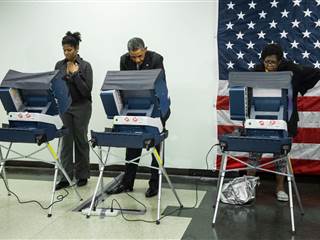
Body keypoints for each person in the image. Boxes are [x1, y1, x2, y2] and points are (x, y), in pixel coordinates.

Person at [248, 43, 320, 201]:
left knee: (280, 154)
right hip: (260, 118)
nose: (270, 65)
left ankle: (280, 188)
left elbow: (314, 73)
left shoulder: (291, 70)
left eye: (273, 62)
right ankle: (248, 186)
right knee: (254, 153)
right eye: (266, 61)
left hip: (284, 119)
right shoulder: (257, 71)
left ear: (280, 61)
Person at [107, 37, 169, 198]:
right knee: (132, 143)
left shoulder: (156, 59)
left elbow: (160, 87)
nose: (137, 60)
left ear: (145, 50)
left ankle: (155, 184)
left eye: (140, 56)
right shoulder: (124, 60)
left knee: (155, 145)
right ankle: (127, 183)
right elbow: (124, 86)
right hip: (134, 105)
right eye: (133, 57)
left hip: (157, 106)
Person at [55, 31, 93, 190]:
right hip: (65, 106)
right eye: (64, 50)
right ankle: (65, 176)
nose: (66, 53)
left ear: (77, 48)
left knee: (81, 140)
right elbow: (56, 86)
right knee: (66, 141)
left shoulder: (85, 66)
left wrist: (75, 74)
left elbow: (86, 91)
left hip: (82, 106)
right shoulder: (59, 65)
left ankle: (82, 175)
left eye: (69, 50)